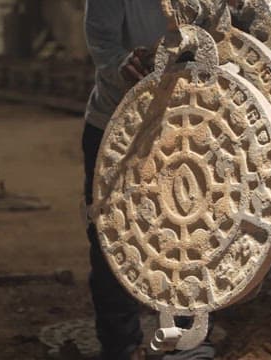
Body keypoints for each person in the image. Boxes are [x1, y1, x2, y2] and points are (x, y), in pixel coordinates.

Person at [82, 1, 217, 359]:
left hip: (185, 127)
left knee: (189, 235)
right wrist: (131, 64)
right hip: (118, 127)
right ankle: (120, 346)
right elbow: (106, 49)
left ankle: (188, 342)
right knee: (113, 237)